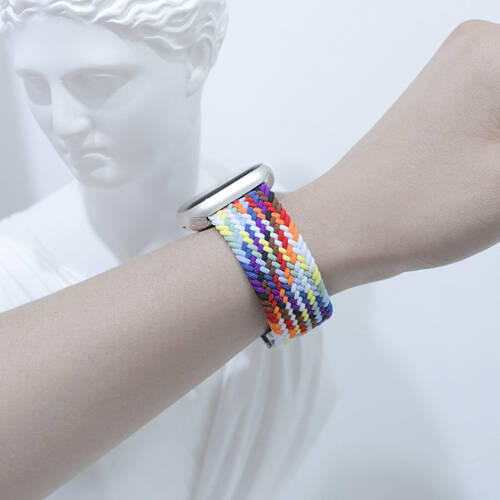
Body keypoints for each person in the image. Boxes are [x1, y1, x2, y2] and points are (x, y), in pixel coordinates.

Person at [1, 11, 500, 500]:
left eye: (97, 81)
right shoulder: (15, 271)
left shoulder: (275, 251)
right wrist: (319, 228)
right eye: (35, 87)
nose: (62, 123)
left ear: (197, 57)